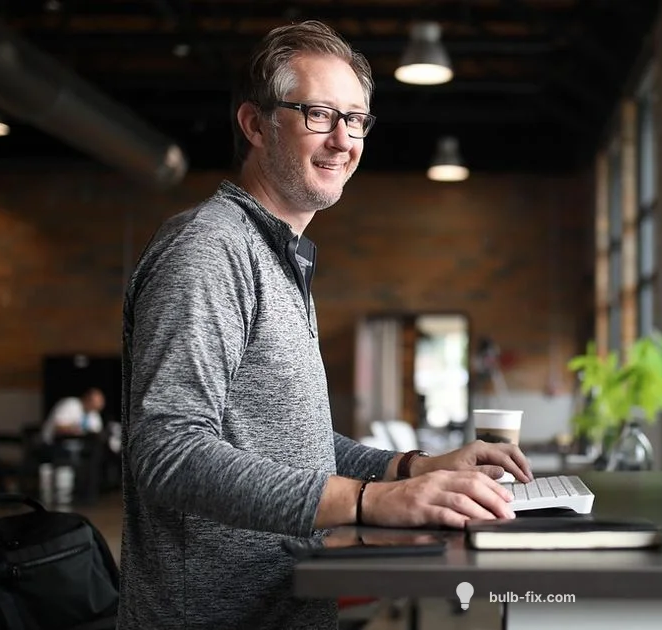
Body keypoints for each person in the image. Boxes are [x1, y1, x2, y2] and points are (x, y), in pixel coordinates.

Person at [117, 20, 533, 630]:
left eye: (356, 119)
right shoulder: (208, 250)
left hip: (285, 608)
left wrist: (411, 469)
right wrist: (369, 501)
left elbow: (293, 447)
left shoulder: (278, 257)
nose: (343, 139)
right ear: (254, 124)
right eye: (318, 114)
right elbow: (168, 453)